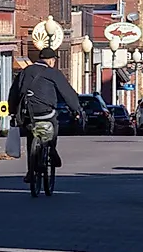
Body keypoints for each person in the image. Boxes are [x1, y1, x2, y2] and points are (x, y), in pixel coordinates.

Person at [6, 45, 85, 176]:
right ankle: (52, 149)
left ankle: (31, 171)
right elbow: (67, 93)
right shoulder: (54, 73)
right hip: (46, 113)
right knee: (53, 126)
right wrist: (76, 110)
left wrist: (13, 111)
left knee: (31, 136)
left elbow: (14, 92)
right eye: (54, 60)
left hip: (27, 113)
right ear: (50, 60)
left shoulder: (25, 71)